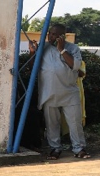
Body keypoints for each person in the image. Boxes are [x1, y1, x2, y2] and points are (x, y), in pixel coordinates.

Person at [30, 24, 89, 160]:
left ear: (63, 36)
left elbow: (75, 66)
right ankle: (55, 148)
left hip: (69, 93)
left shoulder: (73, 48)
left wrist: (61, 50)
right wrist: (33, 52)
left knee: (75, 123)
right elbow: (34, 67)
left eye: (55, 34)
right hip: (49, 93)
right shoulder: (43, 47)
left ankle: (79, 148)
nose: (51, 37)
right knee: (52, 124)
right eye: (50, 33)